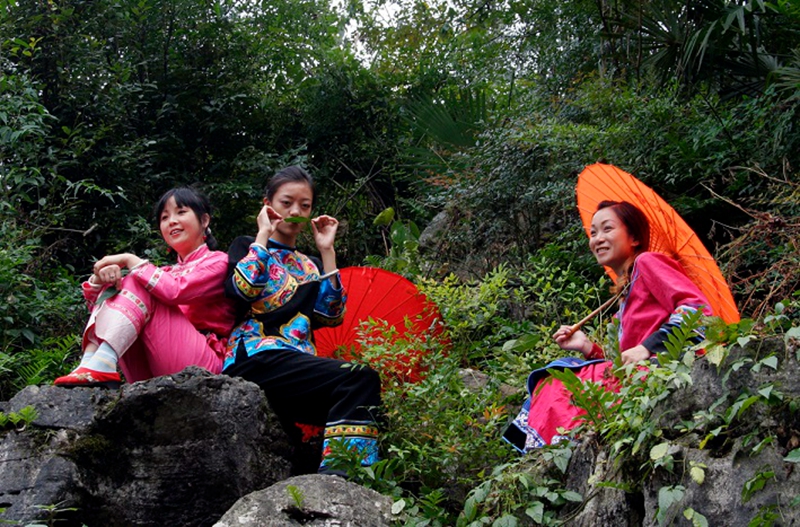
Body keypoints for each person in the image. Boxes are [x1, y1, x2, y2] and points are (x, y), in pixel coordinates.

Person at [503, 200, 713, 452]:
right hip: (635, 379)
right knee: (555, 379)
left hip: (660, 372)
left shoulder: (648, 262)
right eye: (593, 233)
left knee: (557, 380)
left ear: (634, 237)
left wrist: (647, 347)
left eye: (607, 229)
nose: (597, 239)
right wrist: (586, 346)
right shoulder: (625, 296)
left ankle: (559, 448)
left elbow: (696, 309)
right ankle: (559, 451)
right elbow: (620, 360)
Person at [222, 165, 382, 475]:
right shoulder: (247, 246)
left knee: (367, 400)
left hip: (294, 364)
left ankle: (348, 478)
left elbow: (331, 316)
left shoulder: (310, 265)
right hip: (255, 357)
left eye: (304, 205)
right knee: (358, 377)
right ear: (267, 204)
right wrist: (262, 236)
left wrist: (327, 251)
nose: (295, 211)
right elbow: (243, 289)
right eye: (286, 203)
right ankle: (338, 477)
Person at [54, 187, 238, 388]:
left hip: (204, 365)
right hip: (155, 364)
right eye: (164, 217)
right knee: (126, 283)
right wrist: (101, 279)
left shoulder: (218, 262)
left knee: (138, 280)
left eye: (181, 212)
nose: (172, 221)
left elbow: (174, 291)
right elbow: (109, 309)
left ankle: (102, 362)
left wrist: (129, 259)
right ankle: (91, 362)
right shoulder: (166, 271)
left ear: (204, 220)